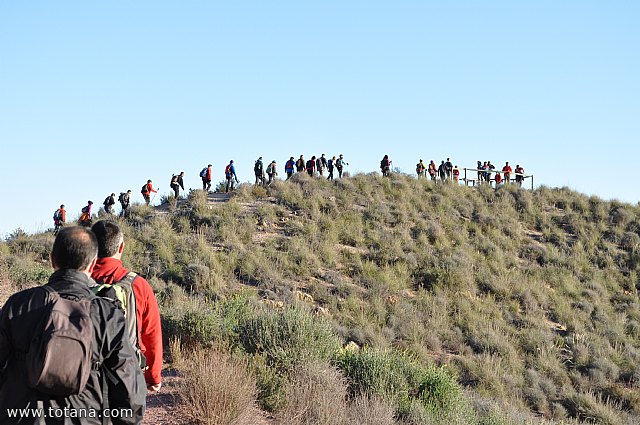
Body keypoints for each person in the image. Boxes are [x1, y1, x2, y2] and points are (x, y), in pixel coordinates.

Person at [0, 226, 146, 424]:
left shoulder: (17, 306)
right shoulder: (108, 315)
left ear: (52, 259)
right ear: (93, 264)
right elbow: (130, 392)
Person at [91, 220, 163, 393]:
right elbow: (151, 335)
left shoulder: (77, 282)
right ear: (121, 246)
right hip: (127, 376)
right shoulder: (138, 285)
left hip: (84, 378)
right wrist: (153, 376)